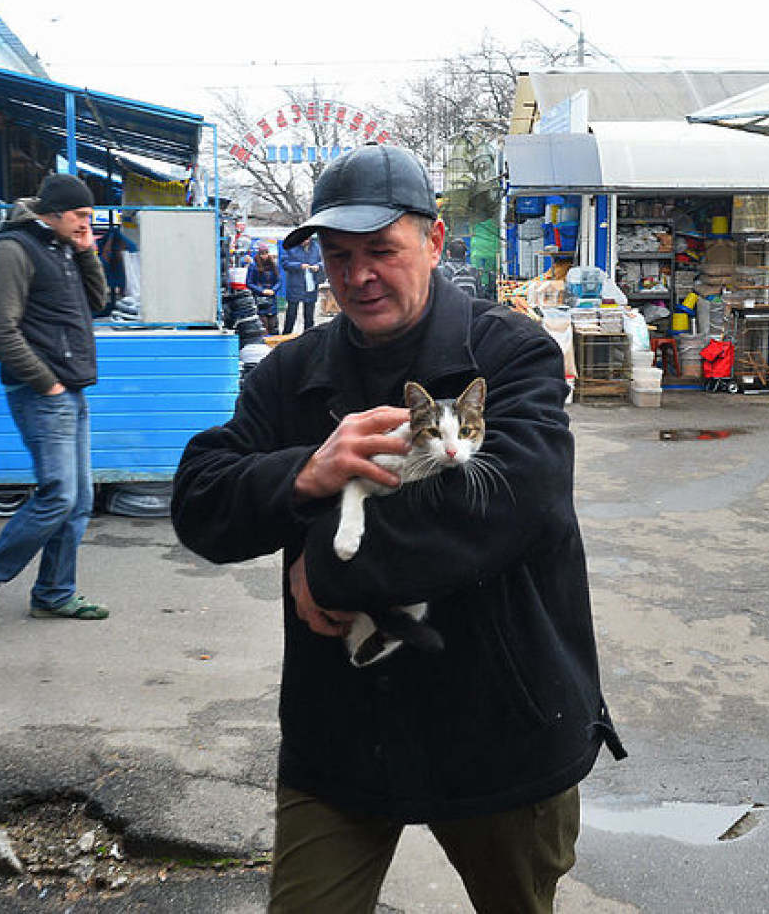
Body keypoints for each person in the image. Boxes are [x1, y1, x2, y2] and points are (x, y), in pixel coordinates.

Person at [171, 144, 624, 913]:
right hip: (343, 731)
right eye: (337, 255)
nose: (357, 276)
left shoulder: (512, 355)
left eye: (381, 249)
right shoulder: (291, 372)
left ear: (435, 241)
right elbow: (200, 500)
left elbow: (515, 505)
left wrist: (325, 564)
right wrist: (303, 472)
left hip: (500, 725)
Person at [0, 173, 112, 629]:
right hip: (42, 391)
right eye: (81, 215)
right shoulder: (13, 249)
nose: (88, 223)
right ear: (54, 212)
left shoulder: (62, 246)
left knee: (79, 499)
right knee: (58, 495)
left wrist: (88, 254)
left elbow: (99, 302)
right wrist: (46, 383)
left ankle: (53, 593)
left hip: (72, 387)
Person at [279, 233, 321, 333]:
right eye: (302, 240)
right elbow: (285, 263)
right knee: (291, 314)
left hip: (310, 286)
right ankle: (286, 335)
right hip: (295, 285)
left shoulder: (317, 247)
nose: (304, 242)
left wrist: (318, 266)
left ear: (310, 238)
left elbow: (324, 261)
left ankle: (309, 336)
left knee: (309, 315)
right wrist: (299, 266)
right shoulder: (291, 246)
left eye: (306, 239)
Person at [246, 249, 281, 334]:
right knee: (263, 324)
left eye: (266, 253)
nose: (264, 256)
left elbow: (279, 281)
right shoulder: (253, 266)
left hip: (271, 297)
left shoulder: (273, 265)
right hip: (259, 298)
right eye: (262, 254)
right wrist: (262, 291)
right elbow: (249, 283)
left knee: (273, 324)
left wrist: (273, 290)